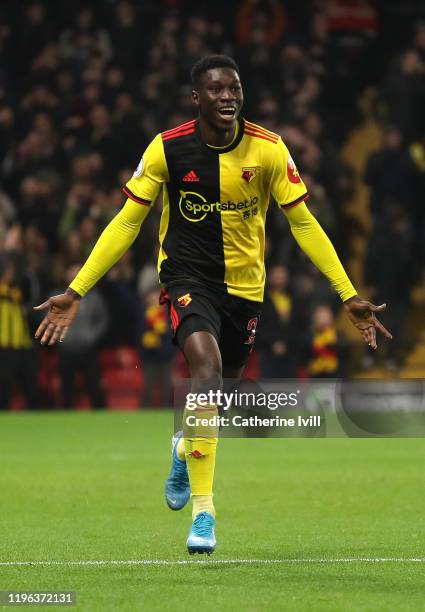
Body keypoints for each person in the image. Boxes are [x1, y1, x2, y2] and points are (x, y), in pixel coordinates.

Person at [34, 54, 392, 555]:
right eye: (217, 89)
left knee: (213, 402)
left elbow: (304, 223)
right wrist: (76, 291)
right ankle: (205, 513)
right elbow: (126, 223)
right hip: (186, 277)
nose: (228, 97)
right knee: (205, 371)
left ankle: (183, 447)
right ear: (196, 97)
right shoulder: (167, 149)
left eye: (235, 88)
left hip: (245, 289)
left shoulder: (269, 151)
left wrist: (347, 293)